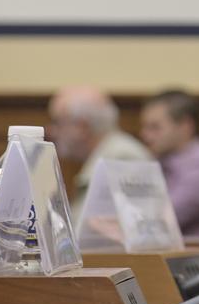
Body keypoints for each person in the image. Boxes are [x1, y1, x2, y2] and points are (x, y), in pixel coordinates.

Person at [139, 88, 199, 241]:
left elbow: (159, 222)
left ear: (185, 126)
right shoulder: (159, 161)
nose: (145, 134)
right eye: (145, 127)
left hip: (196, 261)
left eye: (155, 127)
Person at [47, 84, 152, 213]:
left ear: (82, 127)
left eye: (57, 122)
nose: (51, 131)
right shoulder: (110, 154)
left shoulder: (123, 158)